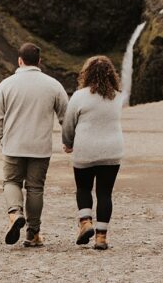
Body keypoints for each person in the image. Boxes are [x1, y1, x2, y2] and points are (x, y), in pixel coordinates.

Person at [0, 43, 69, 247]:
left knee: (11, 182)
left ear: (19, 60)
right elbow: (66, 117)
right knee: (35, 188)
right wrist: (69, 140)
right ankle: (33, 233)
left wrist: (2, 139)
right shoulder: (53, 85)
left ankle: (15, 213)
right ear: (39, 61)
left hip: (13, 145)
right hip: (40, 147)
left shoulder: (6, 85)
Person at [61, 55, 124, 251]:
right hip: (112, 151)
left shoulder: (79, 96)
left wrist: (68, 143)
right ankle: (101, 238)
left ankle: (86, 222)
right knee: (105, 194)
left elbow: (68, 124)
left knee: (83, 189)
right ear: (111, 75)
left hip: (85, 150)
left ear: (86, 73)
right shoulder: (117, 97)